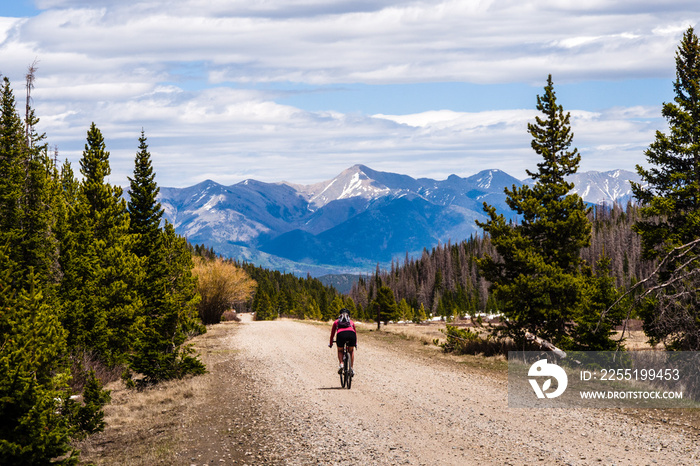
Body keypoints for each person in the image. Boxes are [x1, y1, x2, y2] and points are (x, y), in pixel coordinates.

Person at [328, 308, 357, 375]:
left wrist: (331, 343)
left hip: (341, 335)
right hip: (351, 334)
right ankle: (351, 369)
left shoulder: (336, 322)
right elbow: (355, 333)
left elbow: (332, 334)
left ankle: (341, 364)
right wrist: (355, 343)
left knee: (340, 350)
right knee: (351, 350)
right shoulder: (351, 322)